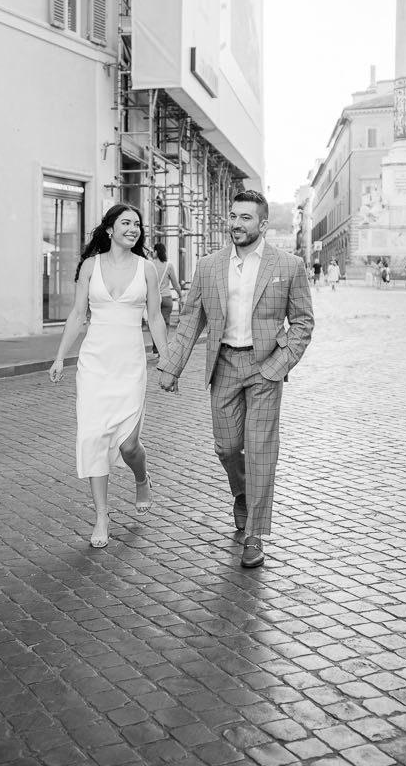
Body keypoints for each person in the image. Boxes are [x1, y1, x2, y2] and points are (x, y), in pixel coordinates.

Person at [157, 190, 314, 569]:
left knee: (260, 450)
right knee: (227, 448)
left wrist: (280, 364)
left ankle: (254, 535)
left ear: (262, 224)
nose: (236, 223)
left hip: (265, 368)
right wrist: (171, 366)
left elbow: (303, 322)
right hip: (223, 364)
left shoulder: (288, 265)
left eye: (245, 217)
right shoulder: (209, 266)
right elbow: (192, 319)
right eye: (233, 216)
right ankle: (242, 494)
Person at [48, 204, 169, 549]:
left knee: (128, 444)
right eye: (126, 223)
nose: (133, 228)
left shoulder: (147, 269)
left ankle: (141, 477)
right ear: (110, 229)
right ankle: (102, 516)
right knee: (93, 437)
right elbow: (76, 314)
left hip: (130, 365)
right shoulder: (91, 266)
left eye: (137, 224)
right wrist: (60, 357)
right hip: (94, 364)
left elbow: (156, 319)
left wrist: (167, 360)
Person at [150, 242, 183, 357]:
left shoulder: (150, 265)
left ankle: (155, 350)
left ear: (156, 252)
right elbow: (175, 283)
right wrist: (181, 294)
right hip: (167, 298)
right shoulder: (169, 265)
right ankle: (163, 349)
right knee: (165, 324)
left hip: (154, 299)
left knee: (154, 323)